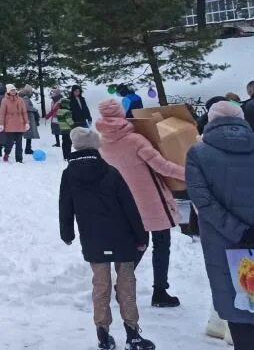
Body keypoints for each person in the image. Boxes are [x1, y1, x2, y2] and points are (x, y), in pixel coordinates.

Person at [59, 128, 154, 350]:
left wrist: (67, 233)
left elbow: (65, 205)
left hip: (93, 237)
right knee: (126, 284)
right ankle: (133, 335)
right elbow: (129, 206)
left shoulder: (68, 174)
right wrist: (141, 236)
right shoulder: (111, 172)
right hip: (122, 237)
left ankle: (102, 334)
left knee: (100, 285)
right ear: (95, 146)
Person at [96, 98, 184, 309]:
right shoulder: (136, 140)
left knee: (138, 244)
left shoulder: (102, 144)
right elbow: (162, 167)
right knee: (161, 243)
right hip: (151, 201)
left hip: (125, 203)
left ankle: (121, 287)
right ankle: (160, 292)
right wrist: (190, 174)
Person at [187, 101, 254, 349]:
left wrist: (239, 231)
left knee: (238, 303)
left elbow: (201, 199)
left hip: (225, 242)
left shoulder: (198, 153)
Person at [0, 83, 29, 163]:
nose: (13, 91)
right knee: (9, 142)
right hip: (9, 124)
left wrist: (26, 122)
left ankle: (19, 159)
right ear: (8, 91)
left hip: (20, 124)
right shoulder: (4, 100)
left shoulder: (20, 100)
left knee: (19, 144)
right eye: (12, 90)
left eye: (14, 90)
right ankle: (6, 153)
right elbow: (2, 113)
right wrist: (1, 124)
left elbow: (24, 112)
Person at [21, 85, 39, 155]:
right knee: (29, 134)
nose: (32, 93)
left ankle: (28, 148)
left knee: (29, 134)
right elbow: (26, 107)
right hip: (28, 118)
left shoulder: (24, 97)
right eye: (31, 91)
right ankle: (27, 149)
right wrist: (34, 109)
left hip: (27, 117)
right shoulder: (25, 98)